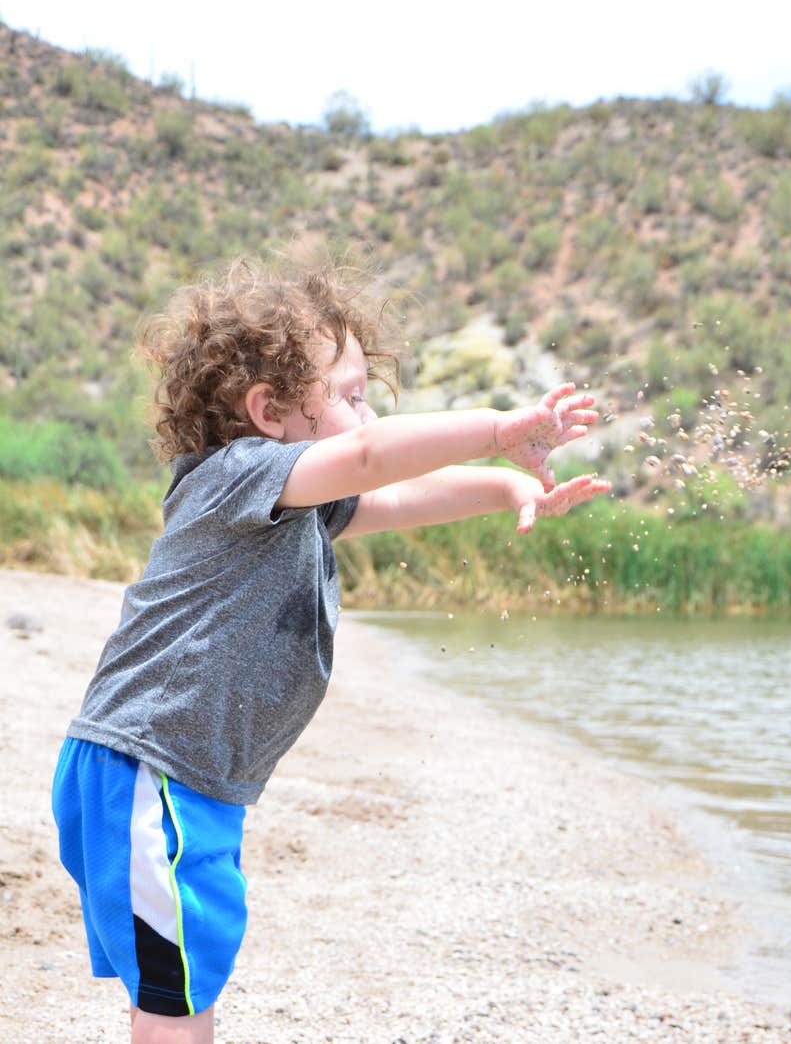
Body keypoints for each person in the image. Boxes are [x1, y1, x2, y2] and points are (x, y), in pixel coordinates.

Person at [51, 254, 610, 1044]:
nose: (367, 416)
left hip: (178, 776)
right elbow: (373, 459)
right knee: (174, 994)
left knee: (180, 978)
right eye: (351, 397)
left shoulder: (295, 505)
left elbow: (390, 495)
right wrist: (498, 430)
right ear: (269, 412)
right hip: (151, 767)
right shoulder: (235, 476)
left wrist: (504, 486)